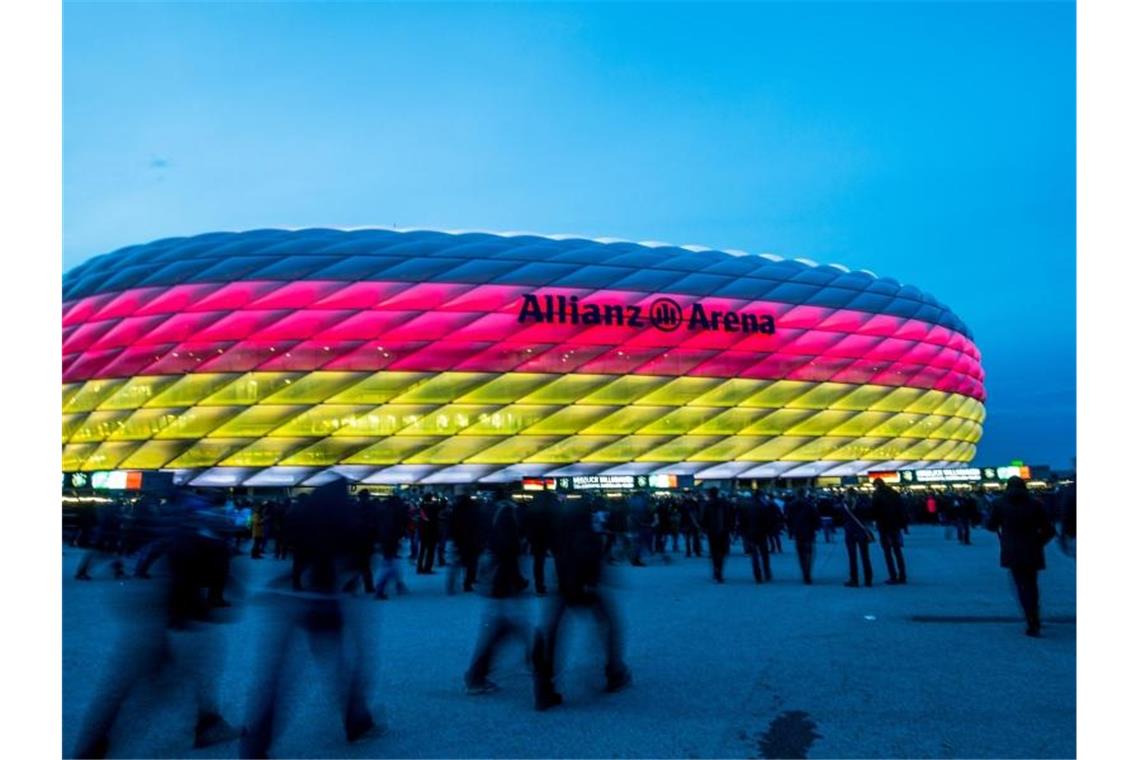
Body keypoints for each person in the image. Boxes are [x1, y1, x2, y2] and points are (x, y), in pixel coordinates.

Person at [72, 492, 242, 758]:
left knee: (139, 682)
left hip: (161, 610)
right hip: (179, 617)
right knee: (154, 684)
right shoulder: (202, 525)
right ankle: (206, 724)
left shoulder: (176, 521)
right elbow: (211, 570)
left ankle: (93, 746)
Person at [241, 478, 382, 758]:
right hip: (327, 598)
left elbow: (291, 544)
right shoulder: (345, 520)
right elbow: (359, 552)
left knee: (280, 672)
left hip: (296, 597)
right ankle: (357, 721)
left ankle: (257, 739)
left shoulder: (303, 514)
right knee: (342, 662)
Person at [532, 495, 631, 711]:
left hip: (563, 587)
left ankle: (544, 685)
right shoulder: (587, 531)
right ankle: (614, 672)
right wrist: (592, 581)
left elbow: (556, 554)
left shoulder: (560, 530)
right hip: (585, 587)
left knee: (553, 633)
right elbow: (591, 557)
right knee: (610, 625)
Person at [464, 490, 530, 694]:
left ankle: (535, 660)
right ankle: (476, 676)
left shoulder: (487, 510)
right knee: (503, 625)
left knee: (505, 624)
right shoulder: (506, 513)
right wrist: (517, 579)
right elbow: (507, 548)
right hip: (502, 578)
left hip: (495, 575)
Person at [985, 477, 1057, 637]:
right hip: (1032, 549)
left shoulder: (999, 504)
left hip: (1011, 550)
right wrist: (1039, 542)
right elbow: (1049, 530)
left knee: (1020, 585)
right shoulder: (1036, 504)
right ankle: (1035, 617)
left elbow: (990, 526)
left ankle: (1030, 619)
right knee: (1032, 584)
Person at [872, 478, 909, 585]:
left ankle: (893, 576)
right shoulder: (894, 493)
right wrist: (903, 524)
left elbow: (874, 511)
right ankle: (902, 575)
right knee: (897, 551)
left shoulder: (877, 495)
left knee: (887, 551)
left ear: (877, 485)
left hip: (883, 526)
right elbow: (901, 509)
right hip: (895, 525)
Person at [785, 489, 821, 584]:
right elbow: (816, 518)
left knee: (800, 554)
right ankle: (807, 573)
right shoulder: (810, 505)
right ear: (805, 494)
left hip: (798, 533)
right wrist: (816, 528)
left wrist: (790, 531)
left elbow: (788, 519)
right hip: (809, 532)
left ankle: (804, 572)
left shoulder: (791, 505)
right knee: (808, 553)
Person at [840, 490, 874, 587]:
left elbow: (842, 517)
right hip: (861, 531)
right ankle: (868, 580)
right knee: (865, 557)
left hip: (850, 532)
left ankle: (854, 579)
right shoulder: (862, 505)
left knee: (852, 557)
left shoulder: (845, 506)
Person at [701, 488, 734, 583]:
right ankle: (720, 571)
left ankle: (716, 571)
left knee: (714, 552)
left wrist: (704, 529)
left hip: (712, 532)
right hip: (724, 531)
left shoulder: (708, 504)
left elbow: (703, 518)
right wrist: (730, 528)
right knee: (722, 553)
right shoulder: (725, 503)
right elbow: (730, 517)